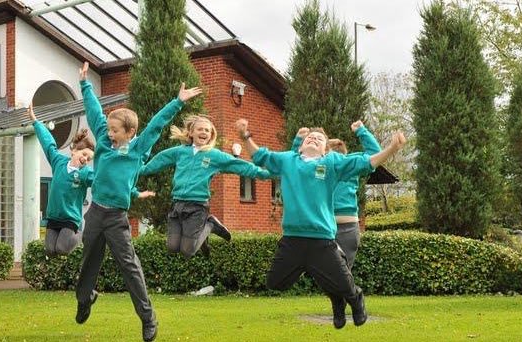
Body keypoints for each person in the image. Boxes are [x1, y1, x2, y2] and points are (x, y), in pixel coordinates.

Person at [74, 62, 202, 342]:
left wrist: (176, 103)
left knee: (130, 268)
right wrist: (84, 84)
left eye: (115, 130)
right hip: (96, 213)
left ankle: (148, 318)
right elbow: (94, 111)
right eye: (108, 129)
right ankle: (85, 298)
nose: (109, 133)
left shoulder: (138, 148)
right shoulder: (105, 145)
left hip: (117, 218)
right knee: (87, 266)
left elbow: (157, 125)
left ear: (130, 132)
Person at [236, 118, 405, 329]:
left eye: (319, 139)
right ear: (301, 146)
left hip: (321, 239)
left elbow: (367, 162)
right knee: (274, 283)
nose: (314, 139)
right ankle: (309, 266)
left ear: (325, 150)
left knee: (343, 284)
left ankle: (356, 299)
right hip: (293, 239)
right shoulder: (288, 160)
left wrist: (392, 148)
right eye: (310, 138)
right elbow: (261, 157)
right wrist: (245, 136)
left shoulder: (332, 162)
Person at [139, 115, 271, 258]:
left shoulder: (214, 155)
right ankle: (203, 236)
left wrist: (264, 173)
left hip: (197, 206)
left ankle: (211, 224)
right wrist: (142, 170)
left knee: (187, 251)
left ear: (211, 135)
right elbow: (161, 159)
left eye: (207, 130)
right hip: (177, 203)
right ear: (191, 133)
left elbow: (238, 165)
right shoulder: (180, 152)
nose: (203, 132)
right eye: (200, 129)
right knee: (172, 247)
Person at [290, 121, 382, 268]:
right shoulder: (316, 167)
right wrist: (298, 142)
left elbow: (376, 155)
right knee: (327, 274)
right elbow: (293, 163)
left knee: (341, 275)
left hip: (346, 228)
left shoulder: (350, 165)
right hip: (324, 228)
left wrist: (361, 131)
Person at [28, 104, 97, 256]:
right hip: (53, 216)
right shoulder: (58, 161)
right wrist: (35, 122)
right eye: (84, 154)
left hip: (70, 219)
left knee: (62, 249)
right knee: (50, 251)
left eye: (89, 158)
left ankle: (84, 235)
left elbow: (101, 181)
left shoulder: (86, 173)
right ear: (74, 151)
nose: (86, 159)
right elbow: (48, 144)